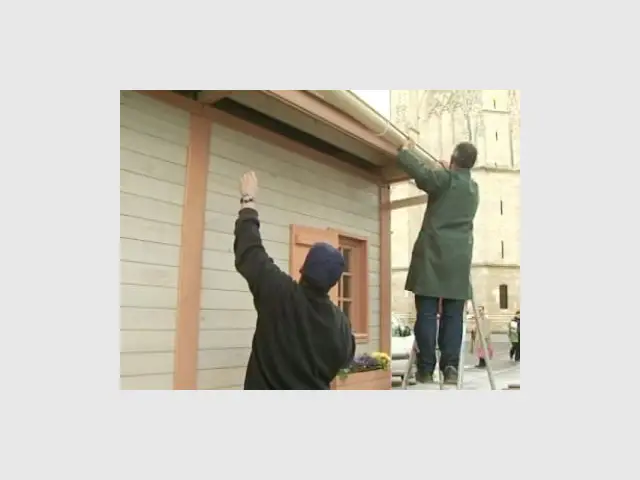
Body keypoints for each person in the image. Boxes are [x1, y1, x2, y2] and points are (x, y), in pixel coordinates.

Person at [234, 171, 355, 389]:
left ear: (303, 268)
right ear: (334, 283)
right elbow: (343, 362)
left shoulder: (279, 293)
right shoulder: (342, 326)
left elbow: (250, 251)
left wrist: (248, 199)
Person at [397, 140, 480, 384]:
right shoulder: (473, 188)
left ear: (453, 159)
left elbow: (422, 175)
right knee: (453, 317)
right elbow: (451, 181)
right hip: (459, 260)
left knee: (427, 313)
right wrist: (448, 170)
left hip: (432, 254)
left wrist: (404, 152)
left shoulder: (444, 180)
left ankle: (425, 369)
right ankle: (450, 368)